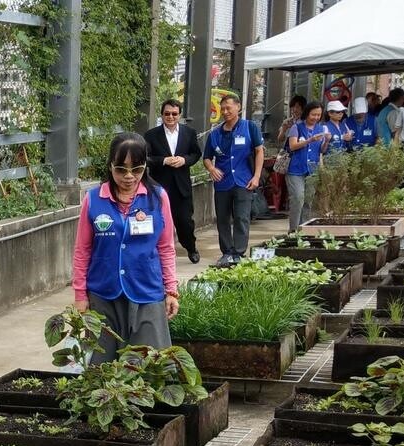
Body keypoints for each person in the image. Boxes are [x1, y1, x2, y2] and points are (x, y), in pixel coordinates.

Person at [72, 132, 179, 362]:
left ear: (145, 167)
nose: (129, 176)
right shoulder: (93, 200)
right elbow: (82, 251)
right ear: (110, 166)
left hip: (146, 290)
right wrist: (80, 294)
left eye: (136, 169)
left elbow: (166, 247)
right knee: (103, 365)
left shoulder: (157, 198)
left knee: (149, 364)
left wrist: (171, 289)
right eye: (121, 169)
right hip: (104, 293)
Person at [203, 94, 264, 266]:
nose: (225, 111)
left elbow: (259, 151)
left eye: (229, 107)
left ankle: (238, 252)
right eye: (222, 108)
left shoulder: (250, 127)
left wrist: (257, 176)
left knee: (241, 217)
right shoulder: (215, 134)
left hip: (244, 181)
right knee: (222, 218)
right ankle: (226, 252)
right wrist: (211, 168)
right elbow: (207, 157)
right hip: (222, 183)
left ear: (239, 107)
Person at [144, 99, 203, 263]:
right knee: (158, 221)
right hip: (159, 186)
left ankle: (191, 247)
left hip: (181, 186)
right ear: (162, 115)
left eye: (174, 114)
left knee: (185, 221)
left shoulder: (189, 133)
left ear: (179, 115)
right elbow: (146, 158)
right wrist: (163, 160)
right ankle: (156, 253)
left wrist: (184, 160)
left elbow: (196, 154)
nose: (170, 117)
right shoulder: (151, 135)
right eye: (167, 114)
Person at [285, 101, 327, 231]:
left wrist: (327, 141)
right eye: (313, 114)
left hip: (312, 169)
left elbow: (322, 150)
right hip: (295, 169)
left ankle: (304, 230)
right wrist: (310, 140)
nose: (315, 117)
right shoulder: (296, 128)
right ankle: (293, 231)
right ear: (307, 113)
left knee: (308, 200)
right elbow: (292, 146)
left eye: (318, 115)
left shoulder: (321, 129)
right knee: (298, 198)